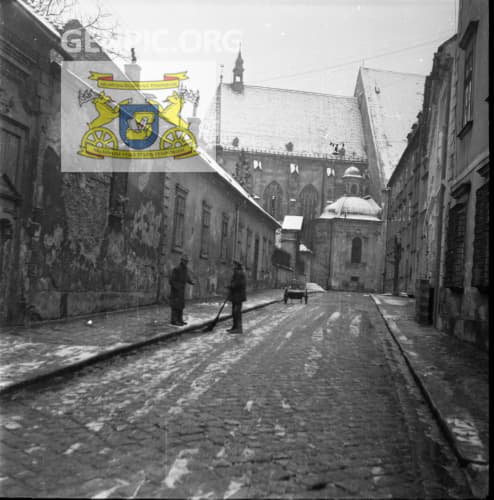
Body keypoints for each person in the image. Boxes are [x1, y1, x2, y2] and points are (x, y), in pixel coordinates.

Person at [169, 254, 195, 326]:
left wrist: (191, 282)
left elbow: (186, 277)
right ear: (182, 261)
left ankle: (180, 320)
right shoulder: (176, 269)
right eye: (185, 261)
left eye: (187, 261)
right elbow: (171, 280)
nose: (186, 263)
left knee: (181, 306)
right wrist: (177, 287)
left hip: (181, 291)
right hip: (176, 291)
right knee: (175, 306)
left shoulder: (185, 269)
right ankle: (174, 320)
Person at [227, 259, 247, 333]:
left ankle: (238, 328)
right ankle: (234, 327)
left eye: (233, 264)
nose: (232, 265)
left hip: (238, 296)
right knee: (234, 312)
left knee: (236, 312)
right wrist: (231, 286)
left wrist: (230, 286)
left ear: (236, 265)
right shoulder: (237, 272)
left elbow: (237, 284)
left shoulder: (239, 273)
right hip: (236, 295)